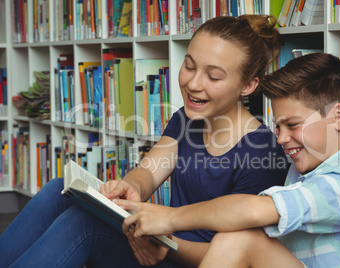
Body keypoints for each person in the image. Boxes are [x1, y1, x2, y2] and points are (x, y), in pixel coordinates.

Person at [0, 15, 288, 267]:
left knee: (83, 223)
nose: (193, 83)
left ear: (248, 86)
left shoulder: (261, 154)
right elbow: (151, 170)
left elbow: (242, 255)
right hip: (159, 242)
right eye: (189, 66)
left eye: (213, 76)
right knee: (58, 190)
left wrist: (164, 245)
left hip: (196, 260)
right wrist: (132, 186)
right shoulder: (186, 120)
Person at [116, 53, 340, 267]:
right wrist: (169, 243)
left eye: (292, 125)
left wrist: (171, 218)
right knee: (240, 236)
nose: (281, 138)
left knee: (242, 238)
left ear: (338, 118)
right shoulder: (308, 171)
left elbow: (250, 212)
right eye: (277, 127)